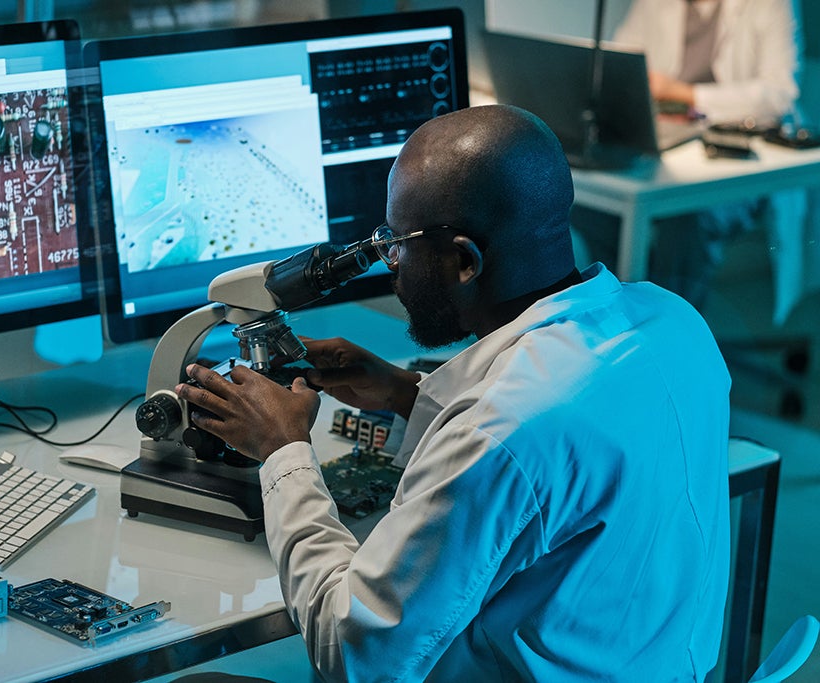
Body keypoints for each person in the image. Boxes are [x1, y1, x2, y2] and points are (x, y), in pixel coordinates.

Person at [177, 104, 732, 681]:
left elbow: (352, 653)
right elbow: (558, 478)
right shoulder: (675, 323)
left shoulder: (503, 430)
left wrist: (282, 450)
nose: (390, 265)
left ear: (464, 261)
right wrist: (404, 394)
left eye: (396, 243)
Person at [572, 0, 806, 319]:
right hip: (668, 140)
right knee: (588, 207)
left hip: (743, 157)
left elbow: (780, 94)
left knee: (685, 218)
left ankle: (674, 339)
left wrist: (685, 93)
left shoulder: (771, 5)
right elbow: (620, 65)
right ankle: (626, 322)